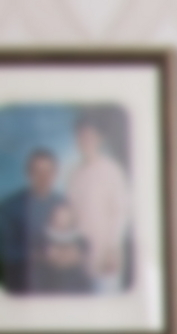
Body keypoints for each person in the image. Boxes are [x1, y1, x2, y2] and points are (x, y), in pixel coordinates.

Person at [64, 111, 131, 292]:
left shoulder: (111, 170)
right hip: (80, 258)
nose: (84, 140)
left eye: (89, 136)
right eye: (80, 135)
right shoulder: (74, 174)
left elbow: (121, 212)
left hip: (106, 256)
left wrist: (113, 249)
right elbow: (72, 216)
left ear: (99, 139)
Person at [0, 146, 63, 293]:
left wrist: (75, 252)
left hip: (58, 285)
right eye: (38, 171)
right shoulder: (9, 207)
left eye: (48, 171)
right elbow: (5, 250)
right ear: (28, 173)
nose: (44, 177)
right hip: (20, 283)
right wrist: (38, 255)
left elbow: (79, 238)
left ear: (55, 174)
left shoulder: (63, 204)